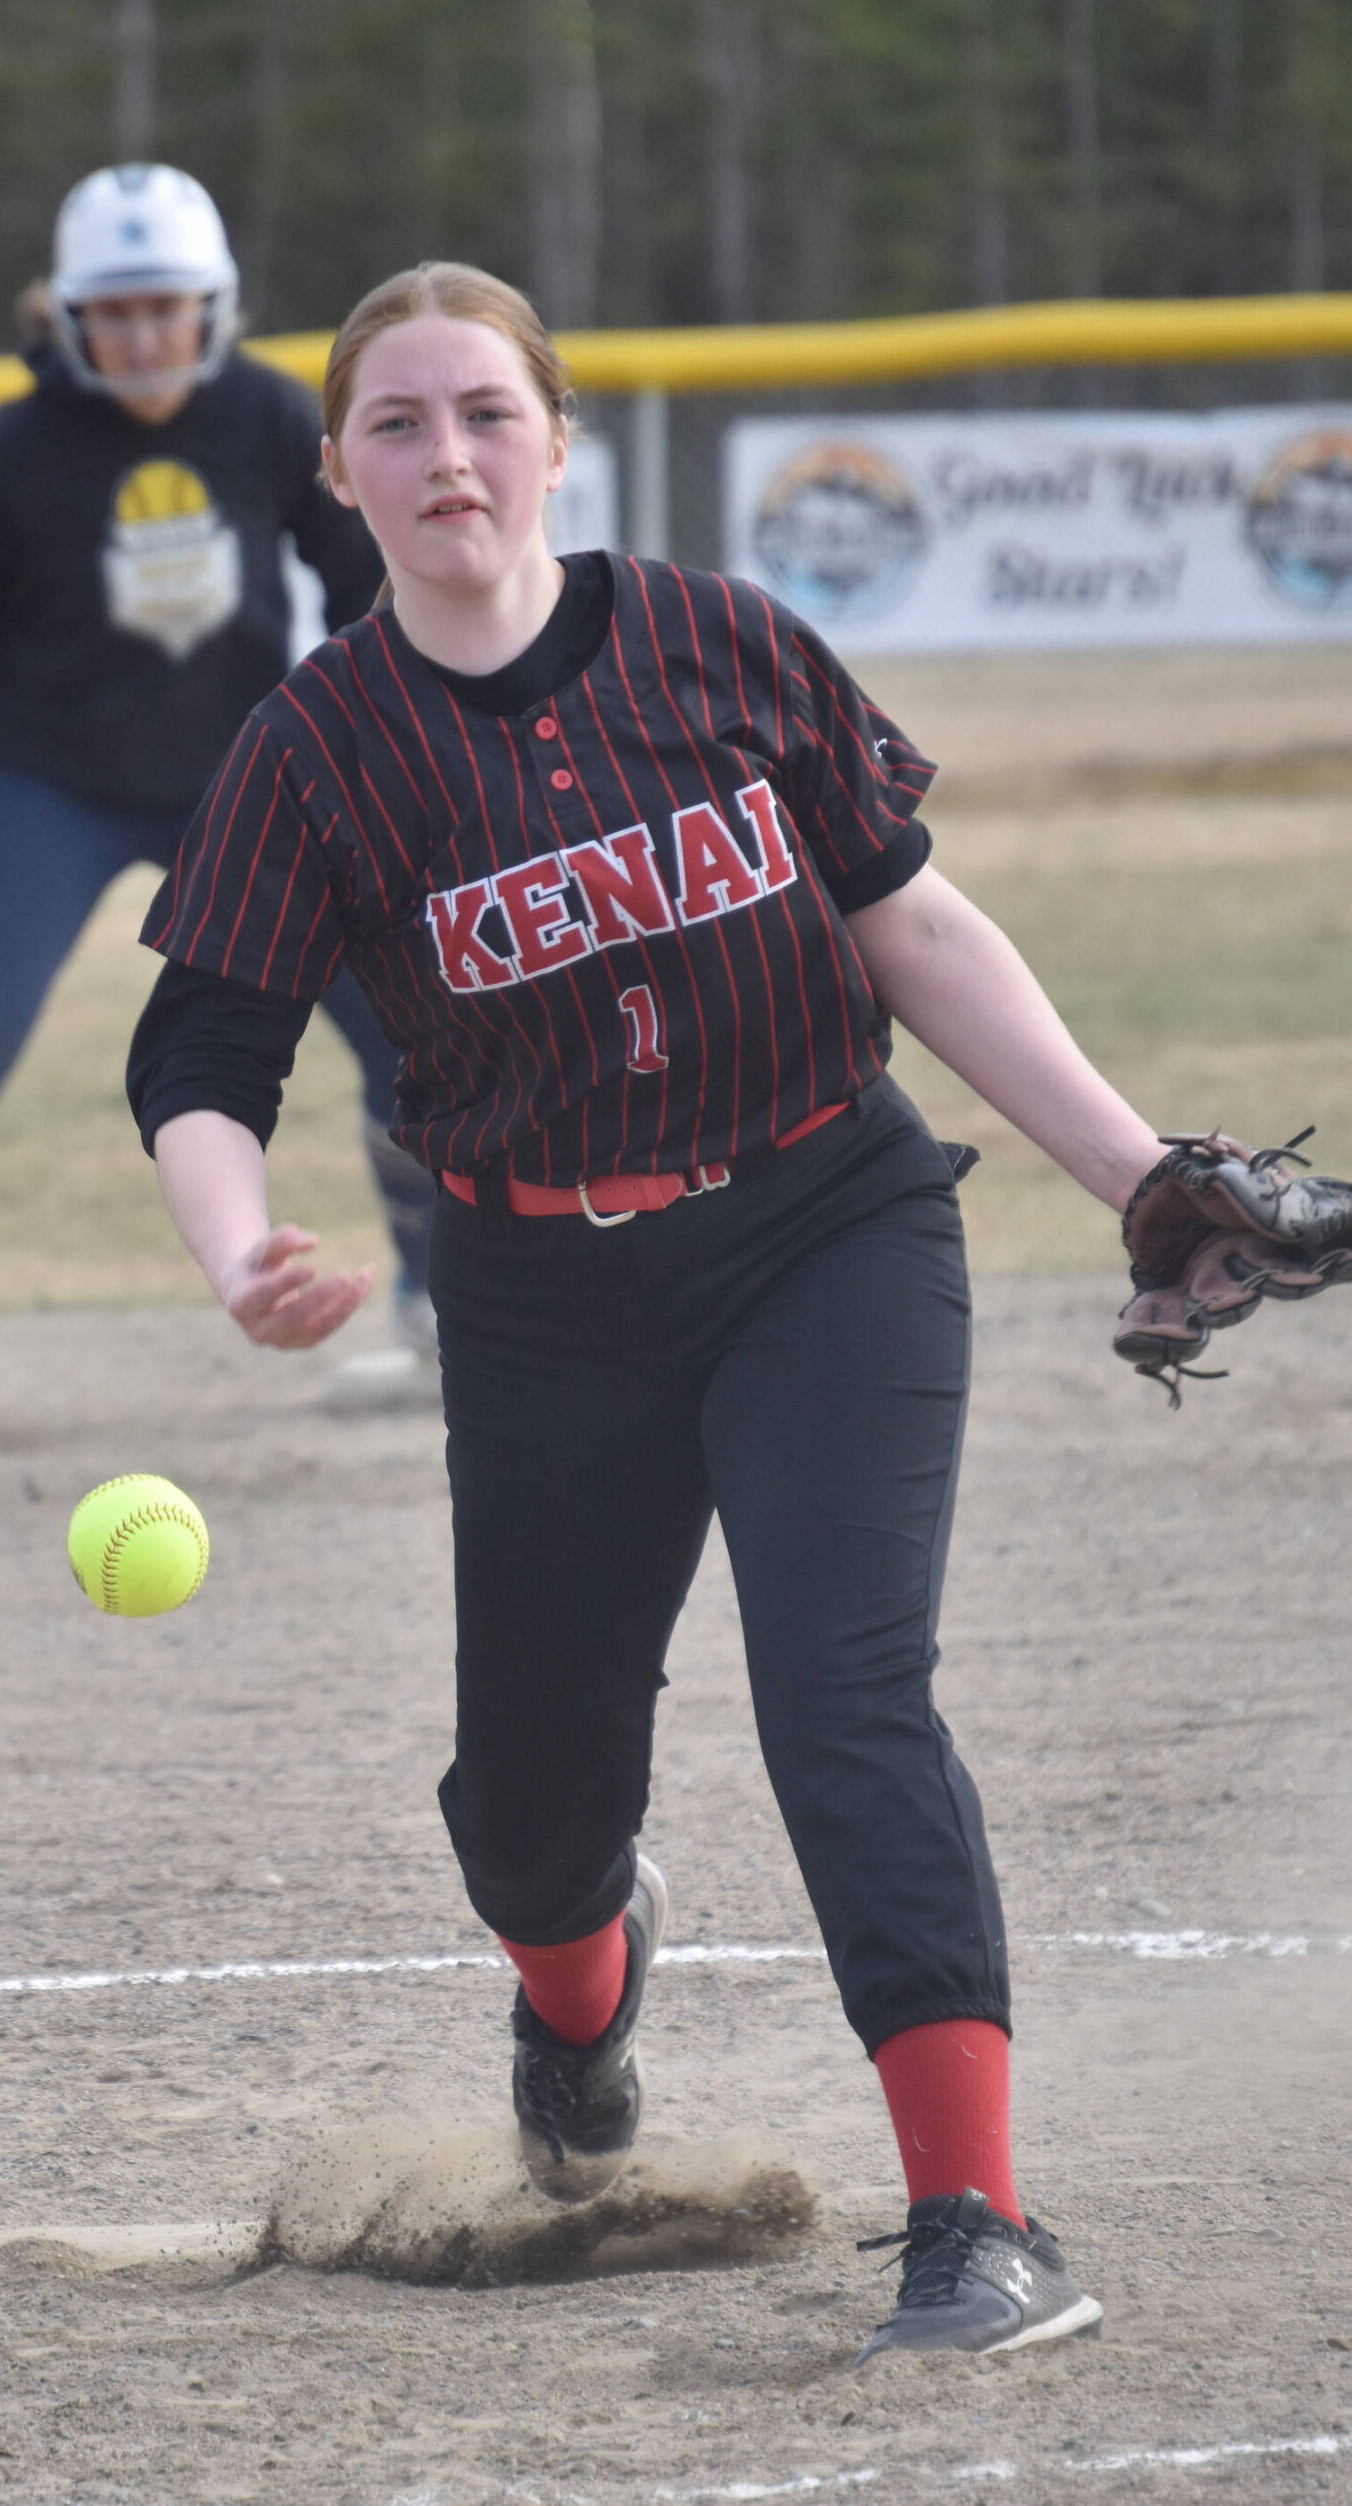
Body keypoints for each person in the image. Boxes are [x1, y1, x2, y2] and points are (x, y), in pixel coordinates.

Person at [125, 259, 1185, 2366]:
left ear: (558, 441)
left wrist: (1141, 1175)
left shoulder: (717, 640)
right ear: (335, 471)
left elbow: (917, 931)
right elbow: (202, 1051)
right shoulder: (316, 749)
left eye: (485, 413)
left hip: (825, 1219)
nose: (447, 456)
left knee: (842, 1694)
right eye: (399, 423)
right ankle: (576, 1995)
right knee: (531, 1818)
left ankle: (972, 2212)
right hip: (535, 1291)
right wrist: (236, 1241)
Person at [0, 166, 433, 1462]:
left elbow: (365, 589)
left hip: (245, 785)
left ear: (215, 305)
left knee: (411, 1036)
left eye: (168, 308)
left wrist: (403, 752)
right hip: (45, 783)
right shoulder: (6, 453)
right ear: (67, 317)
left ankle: (435, 1311)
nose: (144, 338)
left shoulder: (276, 421)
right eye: (114, 313)